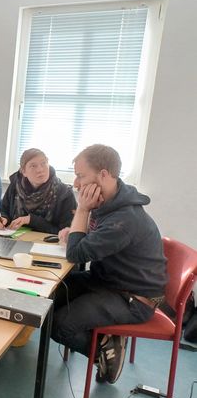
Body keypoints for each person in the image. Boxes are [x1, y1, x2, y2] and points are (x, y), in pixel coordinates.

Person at [51, 144, 167, 384]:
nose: (75, 183)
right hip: (107, 281)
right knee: (50, 293)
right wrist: (74, 231)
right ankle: (104, 336)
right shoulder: (110, 202)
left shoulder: (125, 219)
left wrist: (82, 210)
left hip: (132, 298)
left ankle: (106, 356)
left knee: (60, 325)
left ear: (103, 175)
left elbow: (75, 254)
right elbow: (85, 242)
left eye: (81, 176)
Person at [0, 148, 76, 234]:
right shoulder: (15, 185)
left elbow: (67, 233)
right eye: (33, 166)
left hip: (47, 245)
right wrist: (3, 219)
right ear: (24, 171)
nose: (40, 170)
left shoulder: (65, 194)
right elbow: (4, 210)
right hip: (16, 239)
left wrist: (31, 220)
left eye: (43, 163)